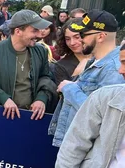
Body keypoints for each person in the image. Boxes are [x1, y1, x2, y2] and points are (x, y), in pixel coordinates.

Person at [46, 46, 125, 168]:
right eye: (121, 62)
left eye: (124, 63)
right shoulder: (105, 97)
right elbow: (75, 143)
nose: (120, 70)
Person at [0, 10, 56, 168]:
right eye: (34, 31)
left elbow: (46, 77)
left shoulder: (39, 52)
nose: (39, 35)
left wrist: (42, 98)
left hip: (30, 120)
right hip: (1, 120)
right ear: (18, 31)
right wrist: (3, 98)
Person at [49, 10, 125, 147]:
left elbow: (102, 115)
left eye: (83, 35)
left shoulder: (114, 69)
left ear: (101, 36)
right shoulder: (94, 62)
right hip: (75, 144)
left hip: (87, 150)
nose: (80, 40)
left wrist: (69, 88)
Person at [52, 18, 89, 85]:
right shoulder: (61, 66)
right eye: (67, 39)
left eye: (77, 37)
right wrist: (76, 75)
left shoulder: (101, 58)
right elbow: (63, 93)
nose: (72, 43)